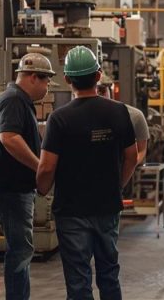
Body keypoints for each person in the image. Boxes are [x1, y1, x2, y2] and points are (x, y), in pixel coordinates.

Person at [36, 46, 138, 300]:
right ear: (99, 75)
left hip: (71, 211)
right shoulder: (119, 112)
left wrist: (42, 188)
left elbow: (47, 166)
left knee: (78, 279)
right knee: (109, 273)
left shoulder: (59, 119)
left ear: (68, 79)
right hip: (107, 206)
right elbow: (132, 157)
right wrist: (118, 186)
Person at [0, 53, 55, 300]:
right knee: (20, 251)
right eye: (46, 82)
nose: (47, 88)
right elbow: (9, 137)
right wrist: (39, 167)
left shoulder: (17, 100)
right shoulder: (14, 99)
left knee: (20, 249)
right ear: (33, 77)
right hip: (10, 190)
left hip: (13, 189)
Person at [96, 74, 150, 163]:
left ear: (111, 90)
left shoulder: (134, 115)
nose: (99, 94)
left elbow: (141, 150)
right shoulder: (79, 117)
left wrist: (126, 169)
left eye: (102, 90)